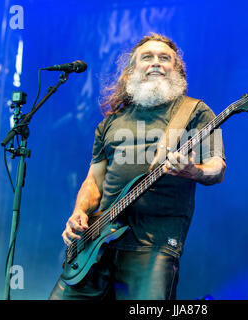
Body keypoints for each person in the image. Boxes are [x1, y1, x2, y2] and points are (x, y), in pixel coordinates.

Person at [49, 33, 226, 300]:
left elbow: (217, 168)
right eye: (147, 57)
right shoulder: (111, 122)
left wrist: (192, 170)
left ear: (176, 69)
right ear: (132, 69)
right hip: (96, 242)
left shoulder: (194, 112)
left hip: (153, 244)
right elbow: (94, 181)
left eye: (164, 58)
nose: (156, 62)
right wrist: (79, 211)